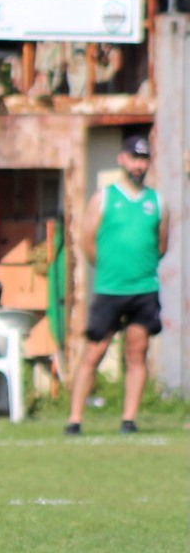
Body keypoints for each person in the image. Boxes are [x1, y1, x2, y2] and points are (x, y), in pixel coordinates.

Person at [67, 131, 170, 436]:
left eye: (144, 159)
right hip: (110, 289)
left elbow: (162, 244)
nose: (139, 165)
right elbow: (87, 241)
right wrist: (112, 268)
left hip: (144, 290)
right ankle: (75, 419)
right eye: (134, 158)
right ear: (122, 159)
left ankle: (129, 419)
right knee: (94, 353)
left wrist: (141, 269)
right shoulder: (104, 197)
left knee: (137, 353)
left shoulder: (157, 201)